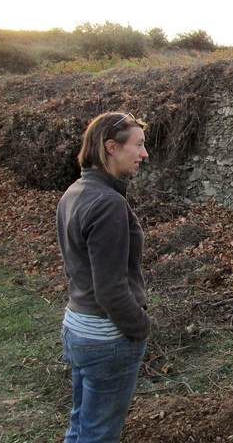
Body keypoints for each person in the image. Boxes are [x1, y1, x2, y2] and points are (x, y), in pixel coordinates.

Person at [56, 112, 151, 442]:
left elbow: (75, 267)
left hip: (78, 327)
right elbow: (111, 289)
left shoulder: (75, 192)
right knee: (99, 434)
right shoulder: (107, 202)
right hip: (106, 338)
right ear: (111, 147)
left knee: (82, 424)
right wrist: (139, 328)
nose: (144, 154)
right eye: (137, 145)